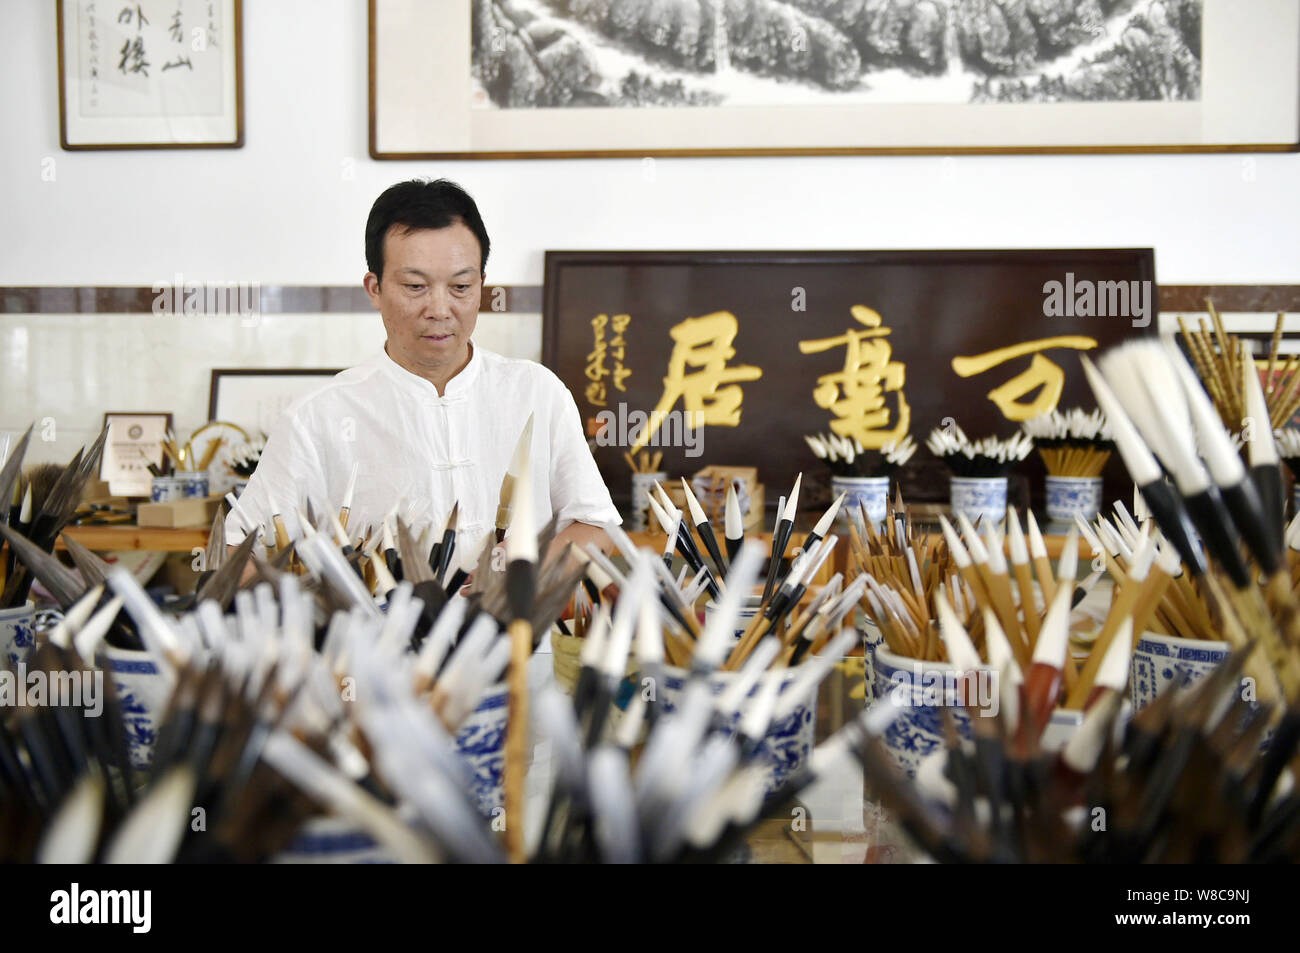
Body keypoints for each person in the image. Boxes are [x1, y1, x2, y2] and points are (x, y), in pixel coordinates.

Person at [225, 178, 618, 564]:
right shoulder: (317, 418)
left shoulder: (536, 391)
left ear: (481, 284)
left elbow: (596, 526)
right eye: (415, 286)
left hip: (516, 627)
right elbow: (235, 554)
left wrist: (523, 578)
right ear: (374, 288)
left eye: (461, 287)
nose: (440, 308)